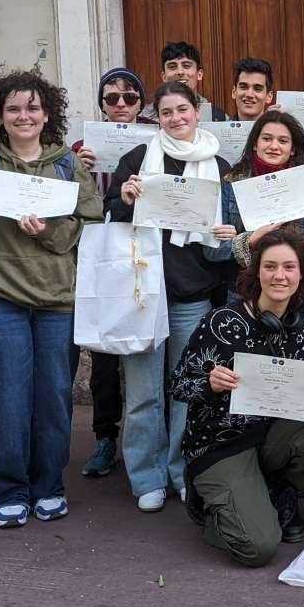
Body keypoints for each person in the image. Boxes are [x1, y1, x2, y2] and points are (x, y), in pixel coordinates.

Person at [0, 70, 103, 529]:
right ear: (0, 114)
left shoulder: (68, 165)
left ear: (47, 114)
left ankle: (49, 487)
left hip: (58, 299)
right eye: (14, 108)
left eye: (33, 108)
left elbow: (91, 226)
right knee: (6, 397)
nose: (24, 116)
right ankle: (9, 490)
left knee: (54, 397)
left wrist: (52, 231)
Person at [170, 228, 304, 567]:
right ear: (256, 273)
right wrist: (210, 383)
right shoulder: (222, 321)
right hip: (221, 444)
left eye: (289, 267)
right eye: (270, 267)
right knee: (258, 548)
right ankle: (211, 507)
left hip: (270, 439)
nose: (279, 276)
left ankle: (275, 491)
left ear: (303, 275)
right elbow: (178, 385)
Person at [105, 82, 235, 511]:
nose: (176, 118)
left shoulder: (219, 165)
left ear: (197, 111)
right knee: (143, 393)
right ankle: (146, 478)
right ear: (155, 118)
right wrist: (124, 198)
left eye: (183, 110)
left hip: (192, 295)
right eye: (166, 113)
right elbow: (110, 214)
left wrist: (224, 236)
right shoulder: (138, 160)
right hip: (142, 293)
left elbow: (227, 244)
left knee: (187, 391)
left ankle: (183, 471)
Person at [70, 66, 153, 481]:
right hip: (103, 253)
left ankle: (149, 440)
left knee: (148, 347)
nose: (121, 105)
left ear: (141, 103)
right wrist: (78, 169)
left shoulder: (157, 139)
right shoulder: (81, 148)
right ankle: (105, 437)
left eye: (130, 97)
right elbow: (71, 203)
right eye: (111, 98)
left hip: (148, 252)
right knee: (103, 353)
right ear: (101, 104)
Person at [206, 110, 304, 301]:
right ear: (255, 145)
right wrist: (249, 240)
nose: (274, 146)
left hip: (295, 295)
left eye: (283, 141)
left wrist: (299, 254)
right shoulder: (230, 184)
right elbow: (212, 251)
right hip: (243, 293)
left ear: (292, 149)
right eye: (267, 138)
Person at [158, 42, 229, 121]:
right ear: (163, 76)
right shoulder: (146, 117)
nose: (180, 72)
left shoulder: (218, 117)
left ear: (199, 74)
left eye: (186, 66)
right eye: (172, 67)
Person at [230, 57, 276, 123]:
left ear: (269, 96)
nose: (249, 94)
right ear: (234, 92)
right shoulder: (215, 132)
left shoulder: (280, 132)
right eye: (243, 87)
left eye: (257, 89)